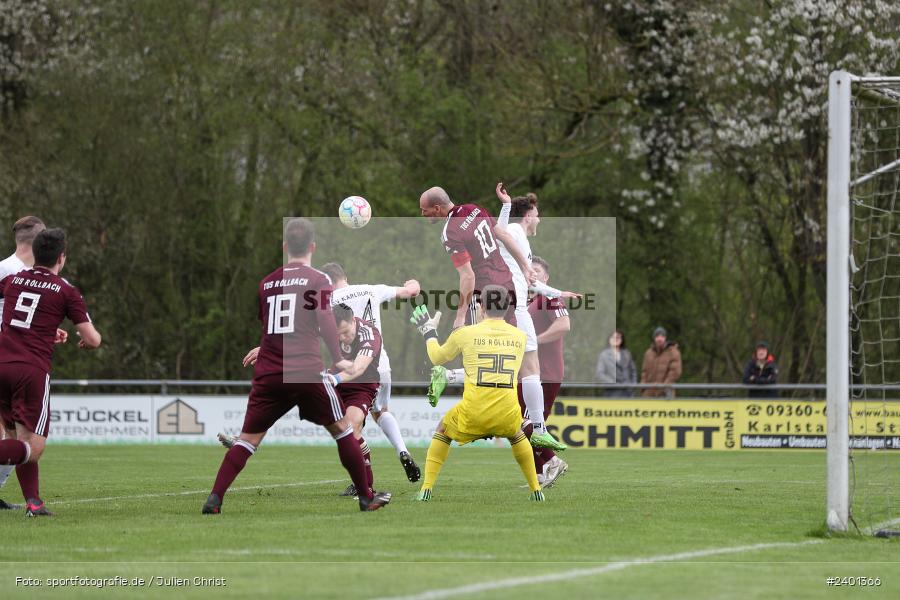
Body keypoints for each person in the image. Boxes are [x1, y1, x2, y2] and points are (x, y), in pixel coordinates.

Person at [202, 218, 391, 514]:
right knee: (343, 430)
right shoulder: (319, 280)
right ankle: (366, 497)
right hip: (305, 372)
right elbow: (326, 323)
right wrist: (338, 357)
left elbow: (274, 326)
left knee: (247, 440)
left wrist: (264, 348)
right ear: (313, 247)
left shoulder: (266, 283)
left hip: (269, 373)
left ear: (285, 247)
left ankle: (214, 499)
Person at [408, 285, 546, 502]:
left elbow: (436, 357)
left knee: (442, 429)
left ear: (481, 307)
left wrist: (429, 331)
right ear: (508, 308)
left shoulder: (465, 334)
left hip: (474, 411)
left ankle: (426, 489)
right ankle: (536, 490)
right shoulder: (520, 337)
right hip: (507, 413)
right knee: (517, 434)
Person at [0, 228, 102, 516]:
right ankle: (33, 501)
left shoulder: (12, 279)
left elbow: (25, 313)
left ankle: (34, 502)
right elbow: (93, 339)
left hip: (2, 364)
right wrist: (84, 338)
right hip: (30, 371)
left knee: (16, 439)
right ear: (62, 257)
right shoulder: (66, 291)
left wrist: (43, 329)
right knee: (34, 447)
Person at [320, 262, 421, 483]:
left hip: (356, 372)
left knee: (351, 426)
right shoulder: (371, 289)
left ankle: (362, 481)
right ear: (344, 276)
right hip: (381, 364)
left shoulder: (329, 302)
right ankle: (402, 450)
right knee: (381, 411)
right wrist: (413, 284)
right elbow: (410, 292)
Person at [0, 216, 46, 511]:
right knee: (18, 436)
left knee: (14, 434)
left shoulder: (23, 272)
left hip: (14, 359)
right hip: (9, 360)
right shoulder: (8, 270)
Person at [521, 256, 571, 487]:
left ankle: (552, 461)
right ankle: (541, 476)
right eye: (530, 270)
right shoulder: (528, 302)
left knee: (524, 424)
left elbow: (564, 326)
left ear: (546, 277)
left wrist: (534, 342)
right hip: (529, 373)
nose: (534, 273)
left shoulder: (550, 297)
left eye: (538, 270)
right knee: (520, 425)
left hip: (546, 373)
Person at [328, 304, 385, 499]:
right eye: (339, 335)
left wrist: (334, 379)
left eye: (345, 332)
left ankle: (366, 487)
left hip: (362, 386)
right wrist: (268, 349)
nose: (343, 338)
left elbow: (359, 368)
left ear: (354, 320)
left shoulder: (369, 333)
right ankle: (361, 485)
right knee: (349, 433)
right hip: (337, 382)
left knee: (351, 427)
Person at [640, 327, 682, 398]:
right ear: (654, 338)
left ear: (665, 338)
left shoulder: (673, 352)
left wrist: (665, 386)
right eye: (657, 336)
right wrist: (642, 387)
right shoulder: (648, 353)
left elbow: (675, 371)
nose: (659, 339)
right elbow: (644, 372)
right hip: (649, 393)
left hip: (666, 393)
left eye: (662, 336)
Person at [595, 329, 637, 397]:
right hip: (611, 393)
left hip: (627, 393)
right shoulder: (604, 355)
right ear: (609, 340)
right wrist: (612, 383)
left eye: (618, 337)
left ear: (622, 340)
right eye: (613, 337)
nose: (616, 339)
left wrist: (633, 385)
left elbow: (633, 371)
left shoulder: (627, 354)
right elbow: (599, 373)